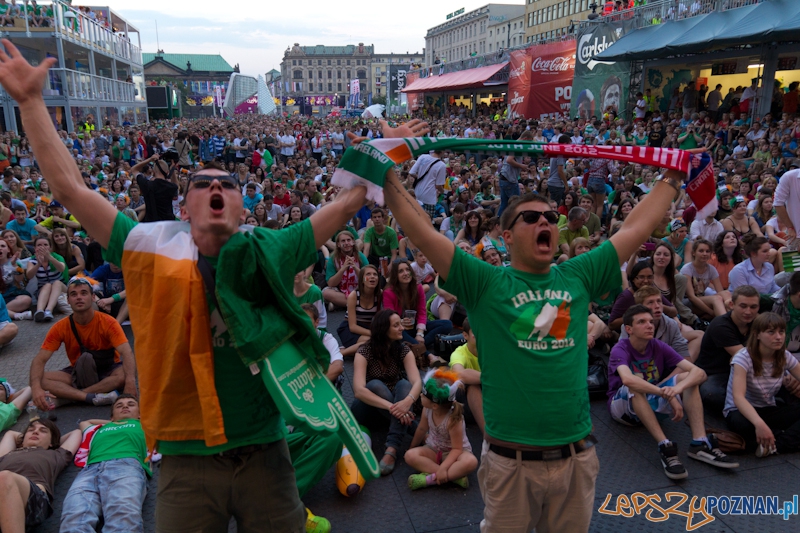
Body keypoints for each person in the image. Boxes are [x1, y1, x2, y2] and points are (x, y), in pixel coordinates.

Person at [0, 38, 394, 531]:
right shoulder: (145, 244)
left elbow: (348, 202)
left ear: (242, 207)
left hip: (264, 448)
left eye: (226, 184)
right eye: (202, 184)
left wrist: (389, 146)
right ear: (183, 210)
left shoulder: (269, 246)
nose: (215, 188)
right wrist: (32, 104)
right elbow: (70, 189)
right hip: (186, 455)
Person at [377, 114, 689, 531]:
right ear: (505, 237)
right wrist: (390, 159)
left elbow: (636, 226)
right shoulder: (485, 282)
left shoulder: (578, 274)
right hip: (510, 464)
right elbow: (421, 232)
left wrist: (673, 174)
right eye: (530, 217)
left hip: (577, 459)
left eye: (548, 215)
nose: (544, 220)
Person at [609, 305, 738, 479]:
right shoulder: (621, 348)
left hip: (652, 398)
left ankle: (699, 443)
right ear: (628, 329)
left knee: (688, 377)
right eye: (642, 322)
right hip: (623, 407)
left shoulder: (658, 345)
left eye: (650, 321)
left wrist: (676, 390)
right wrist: (665, 394)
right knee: (635, 385)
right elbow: (628, 380)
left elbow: (699, 373)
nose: (649, 325)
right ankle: (665, 445)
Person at [59, 394, 152, 533]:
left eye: (131, 404)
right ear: (111, 416)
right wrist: (114, 422)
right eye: (119, 406)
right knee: (74, 517)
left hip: (126, 465)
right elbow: (85, 422)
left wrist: (130, 419)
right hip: (89, 471)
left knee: (123, 516)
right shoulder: (97, 430)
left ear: (140, 414)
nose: (125, 406)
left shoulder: (145, 426)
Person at [351, 309, 422, 476]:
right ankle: (416, 430)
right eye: (396, 325)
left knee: (404, 384)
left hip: (396, 408)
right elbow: (359, 391)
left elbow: (417, 382)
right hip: (369, 409)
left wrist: (407, 401)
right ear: (384, 329)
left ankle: (392, 448)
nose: (402, 328)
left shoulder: (403, 350)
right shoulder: (364, 351)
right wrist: (393, 407)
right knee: (374, 384)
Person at [725, 312, 800, 457]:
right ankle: (782, 439)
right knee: (743, 425)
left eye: (781, 332)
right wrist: (759, 424)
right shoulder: (743, 357)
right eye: (771, 332)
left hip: (768, 409)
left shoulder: (784, 356)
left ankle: (775, 445)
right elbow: (738, 398)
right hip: (741, 411)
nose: (778, 337)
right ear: (757, 334)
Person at [0, 419, 81, 531]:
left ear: (52, 442)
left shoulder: (57, 455)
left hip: (34, 499)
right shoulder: (6, 455)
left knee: (4, 477)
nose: (35, 432)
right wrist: (26, 440)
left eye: (43, 431)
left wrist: (53, 443)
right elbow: (10, 434)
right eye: (31, 430)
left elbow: (76, 433)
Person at [405, 368, 478, 490]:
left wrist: (444, 467)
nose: (421, 395)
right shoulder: (427, 410)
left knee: (471, 462)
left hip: (455, 454)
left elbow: (456, 449)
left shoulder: (453, 419)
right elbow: (422, 429)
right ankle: (454, 477)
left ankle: (429, 479)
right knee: (409, 456)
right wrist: (412, 447)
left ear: (434, 405)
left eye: (424, 395)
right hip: (434, 449)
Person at [695, 285, 760, 414]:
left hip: (744, 370)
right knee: (712, 395)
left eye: (753, 307)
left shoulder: (757, 323)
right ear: (731, 305)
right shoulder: (721, 325)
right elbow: (745, 358)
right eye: (743, 306)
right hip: (717, 373)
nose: (748, 312)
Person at [383, 259, 452, 355]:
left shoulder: (418, 288)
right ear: (395, 275)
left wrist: (420, 334)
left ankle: (414, 346)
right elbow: (389, 317)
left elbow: (422, 312)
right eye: (401, 271)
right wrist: (401, 322)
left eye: (408, 270)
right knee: (396, 334)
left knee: (447, 324)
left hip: (416, 326)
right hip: (400, 329)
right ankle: (428, 354)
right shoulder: (388, 292)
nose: (406, 273)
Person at [620, 286, 700, 361]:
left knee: (696, 373)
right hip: (639, 368)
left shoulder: (671, 324)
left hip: (666, 366)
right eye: (650, 303)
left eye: (659, 301)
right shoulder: (629, 326)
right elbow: (622, 356)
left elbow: (684, 355)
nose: (657, 306)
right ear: (640, 307)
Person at [448, 317, 485, 433]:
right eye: (475, 332)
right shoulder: (459, 353)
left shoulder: (492, 350)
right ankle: (488, 436)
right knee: (473, 386)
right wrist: (493, 378)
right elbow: (460, 374)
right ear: (465, 335)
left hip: (491, 399)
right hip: (466, 405)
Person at [336, 264, 381, 357]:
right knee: (372, 342)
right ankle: (341, 354)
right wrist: (374, 334)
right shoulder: (354, 295)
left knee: (379, 344)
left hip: (367, 328)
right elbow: (352, 326)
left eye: (375, 274)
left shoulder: (379, 294)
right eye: (368, 274)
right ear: (362, 280)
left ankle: (350, 350)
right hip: (349, 329)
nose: (372, 276)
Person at [680, 238, 730, 318]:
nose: (705, 254)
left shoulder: (711, 269)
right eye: (701, 251)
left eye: (707, 251)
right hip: (687, 302)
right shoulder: (687, 269)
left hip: (702, 299)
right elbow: (691, 297)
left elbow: (720, 291)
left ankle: (734, 316)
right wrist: (711, 312)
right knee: (716, 299)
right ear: (693, 253)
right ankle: (725, 323)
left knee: (726, 293)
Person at [25, 234, 67, 322]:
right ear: (35, 248)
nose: (42, 247)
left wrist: (50, 258)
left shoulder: (56, 257)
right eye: (39, 245)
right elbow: (29, 275)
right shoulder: (32, 260)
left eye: (45, 245)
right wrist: (38, 264)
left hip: (61, 288)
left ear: (50, 247)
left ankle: (48, 311)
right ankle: (39, 311)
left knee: (56, 283)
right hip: (43, 290)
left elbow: (61, 268)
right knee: (47, 285)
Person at [130, 153, 179, 222]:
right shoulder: (170, 187)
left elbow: (134, 169)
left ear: (153, 172)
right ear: (167, 172)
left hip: (151, 224)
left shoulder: (147, 184)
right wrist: (172, 170)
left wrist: (149, 159)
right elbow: (176, 187)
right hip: (167, 223)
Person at [497, 131, 532, 216]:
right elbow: (509, 160)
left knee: (504, 204)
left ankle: (498, 222)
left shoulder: (514, 144)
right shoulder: (516, 146)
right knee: (516, 204)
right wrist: (521, 166)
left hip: (504, 178)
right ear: (525, 139)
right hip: (510, 180)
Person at [409, 148, 446, 219]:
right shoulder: (442, 165)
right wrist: (443, 192)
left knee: (415, 219)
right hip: (429, 197)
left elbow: (411, 172)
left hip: (417, 193)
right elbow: (438, 185)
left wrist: (419, 178)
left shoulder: (423, 156)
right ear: (442, 151)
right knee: (427, 222)